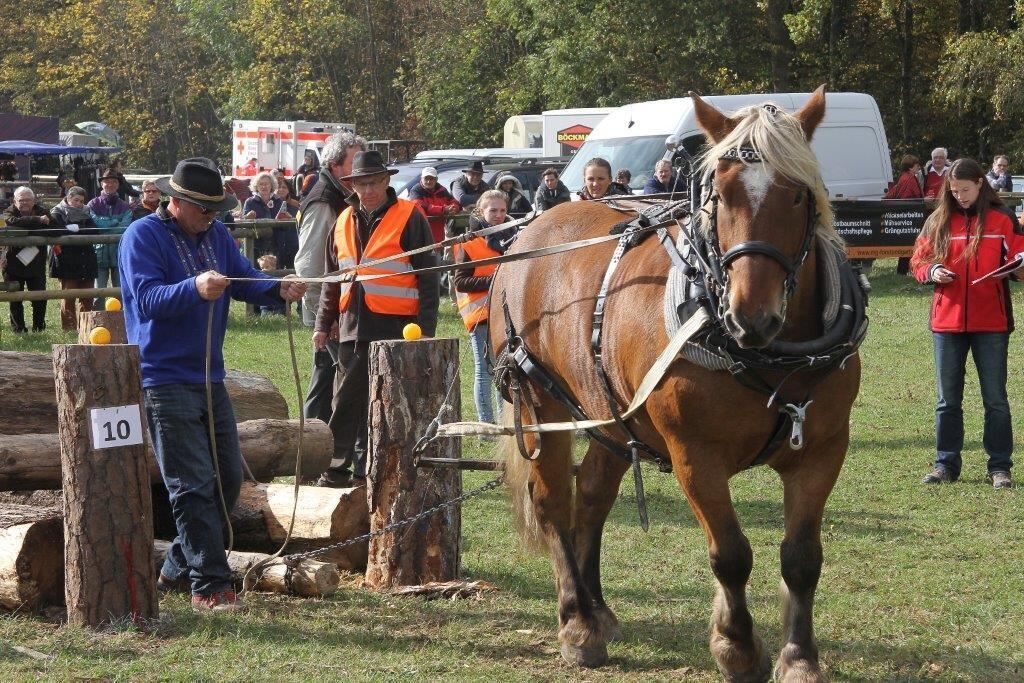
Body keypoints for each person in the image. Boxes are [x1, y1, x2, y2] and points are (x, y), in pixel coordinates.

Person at [120, 157, 306, 611]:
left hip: (209, 376)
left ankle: (177, 567)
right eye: (204, 209)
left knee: (226, 479)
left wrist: (275, 288)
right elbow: (146, 300)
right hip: (163, 379)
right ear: (177, 201)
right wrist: (193, 287)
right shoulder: (141, 236)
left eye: (216, 209)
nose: (211, 216)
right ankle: (209, 584)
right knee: (192, 484)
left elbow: (244, 278)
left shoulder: (216, 234)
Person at [313, 150, 439, 487]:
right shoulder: (342, 221)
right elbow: (332, 278)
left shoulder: (410, 216)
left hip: (398, 327)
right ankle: (337, 470)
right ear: (352, 185)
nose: (367, 190)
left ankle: (371, 470)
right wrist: (323, 324)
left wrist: (426, 329)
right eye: (361, 184)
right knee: (345, 401)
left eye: (373, 183)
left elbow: (429, 277)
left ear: (386, 181)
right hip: (352, 325)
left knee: (389, 403)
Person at [910, 158, 1023, 489]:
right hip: (947, 322)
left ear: (980, 184)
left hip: (992, 322)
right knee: (947, 400)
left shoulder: (1002, 219)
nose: (960, 196)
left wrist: (1018, 267)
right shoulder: (938, 220)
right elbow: (918, 260)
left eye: (966, 190)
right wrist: (933, 271)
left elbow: (1019, 258)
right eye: (954, 190)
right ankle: (945, 464)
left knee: (995, 399)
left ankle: (999, 467)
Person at [295, 131, 366, 432]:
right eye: (354, 162)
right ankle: (321, 444)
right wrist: (326, 319)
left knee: (325, 379)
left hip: (336, 310)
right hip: (329, 311)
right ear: (335, 165)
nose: (360, 168)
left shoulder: (340, 196)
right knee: (340, 381)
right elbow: (309, 268)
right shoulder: (324, 201)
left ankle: (316, 444)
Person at [453, 190, 511, 425]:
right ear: (480, 211)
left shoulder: (512, 238)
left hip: (505, 314)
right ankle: (486, 423)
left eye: (503, 210)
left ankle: (504, 420)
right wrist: (495, 279)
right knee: (485, 370)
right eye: (493, 210)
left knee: (503, 368)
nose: (498, 215)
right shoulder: (469, 243)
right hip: (480, 315)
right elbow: (460, 282)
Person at [49, 186, 99, 331]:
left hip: (86, 259)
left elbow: (94, 231)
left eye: (81, 201)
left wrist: (75, 229)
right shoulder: (57, 212)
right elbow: (56, 230)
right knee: (68, 295)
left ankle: (85, 327)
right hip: (66, 260)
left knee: (87, 296)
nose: (79, 204)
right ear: (68, 198)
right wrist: (71, 230)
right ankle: (69, 328)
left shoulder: (87, 212)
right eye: (76, 200)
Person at [2, 186, 51, 332]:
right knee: (15, 298)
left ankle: (39, 327)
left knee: (39, 297)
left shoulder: (43, 211)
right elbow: (12, 221)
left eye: (28, 200)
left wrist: (25, 228)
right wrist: (38, 221)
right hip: (12, 263)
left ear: (34, 201)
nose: (24, 203)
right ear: (15, 201)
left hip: (36, 263)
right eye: (21, 200)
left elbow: (54, 227)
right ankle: (19, 329)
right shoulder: (8, 211)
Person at [88, 169, 133, 309]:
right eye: (106, 181)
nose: (110, 184)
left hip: (119, 253)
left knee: (121, 292)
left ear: (118, 185)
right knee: (98, 293)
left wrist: (105, 226)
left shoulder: (125, 206)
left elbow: (124, 228)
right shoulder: (92, 204)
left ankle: (121, 319)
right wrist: (114, 222)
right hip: (98, 253)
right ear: (101, 184)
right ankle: (98, 318)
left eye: (114, 181)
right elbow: (95, 224)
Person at [884, 155, 925, 275]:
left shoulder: (906, 177)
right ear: (911, 167)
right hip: (909, 215)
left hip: (908, 215)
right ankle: (903, 271)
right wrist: (922, 200)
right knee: (909, 243)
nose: (918, 167)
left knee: (909, 243)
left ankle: (904, 270)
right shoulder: (909, 179)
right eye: (916, 165)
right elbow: (907, 198)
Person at [408, 166, 460, 244]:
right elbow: (419, 205)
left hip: (439, 233)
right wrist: (443, 210)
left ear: (436, 179)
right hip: (421, 233)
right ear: (421, 178)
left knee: (439, 250)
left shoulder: (442, 190)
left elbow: (453, 201)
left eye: (431, 178)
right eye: (426, 178)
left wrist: (454, 208)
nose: (428, 181)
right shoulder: (415, 190)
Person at [242, 171, 287, 258]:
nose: (264, 186)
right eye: (261, 184)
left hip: (276, 245)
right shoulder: (250, 202)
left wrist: (286, 219)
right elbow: (243, 224)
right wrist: (247, 217)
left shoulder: (278, 201)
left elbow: (284, 227)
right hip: (256, 246)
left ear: (271, 185)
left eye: (266, 184)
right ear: (256, 186)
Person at [271, 173, 299, 269]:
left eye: (284, 187)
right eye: (278, 187)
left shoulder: (296, 204)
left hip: (293, 242)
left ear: (289, 190)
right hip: (275, 243)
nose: (281, 190)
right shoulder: (270, 204)